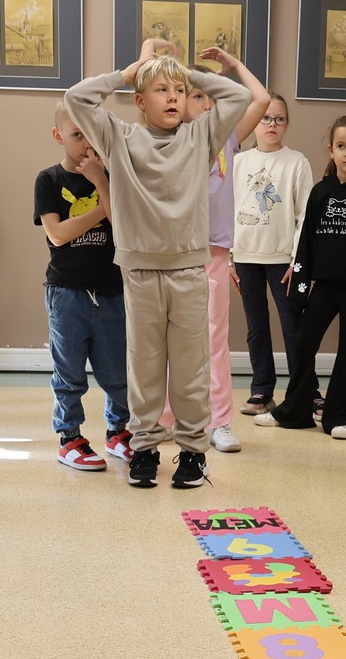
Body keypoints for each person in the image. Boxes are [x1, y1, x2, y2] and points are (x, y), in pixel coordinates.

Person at [63, 39, 250, 490]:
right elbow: (76, 98)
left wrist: (185, 72)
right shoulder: (119, 137)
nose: (172, 97)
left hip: (188, 271)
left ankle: (193, 453)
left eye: (179, 91)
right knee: (144, 367)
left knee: (190, 368)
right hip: (140, 272)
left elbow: (239, 96)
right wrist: (129, 73)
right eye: (161, 90)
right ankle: (145, 448)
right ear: (139, 101)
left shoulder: (201, 136)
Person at [255, 114, 346, 439]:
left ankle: (341, 416)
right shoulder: (320, 192)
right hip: (324, 287)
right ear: (331, 150)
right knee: (303, 346)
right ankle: (295, 411)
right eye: (341, 146)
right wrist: (299, 291)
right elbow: (307, 243)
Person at [174, 50, 269, 454]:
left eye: (212, 96)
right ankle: (166, 418)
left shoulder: (228, 136)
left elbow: (261, 99)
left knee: (214, 338)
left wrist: (232, 67)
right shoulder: (170, 137)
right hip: (175, 253)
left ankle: (219, 421)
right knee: (170, 338)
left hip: (213, 251)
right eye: (197, 95)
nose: (208, 102)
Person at [36, 103, 132, 471]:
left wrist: (101, 182)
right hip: (67, 293)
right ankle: (69, 437)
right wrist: (102, 208)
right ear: (58, 136)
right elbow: (58, 234)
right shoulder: (49, 180)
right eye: (77, 135)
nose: (87, 144)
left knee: (118, 371)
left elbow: (123, 226)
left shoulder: (112, 176)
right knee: (69, 372)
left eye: (92, 135)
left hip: (110, 291)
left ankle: (119, 431)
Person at [231, 95, 314, 416]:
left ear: (287, 124)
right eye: (265, 118)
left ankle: (305, 390)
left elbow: (305, 216)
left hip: (283, 260)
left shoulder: (297, 162)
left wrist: (297, 260)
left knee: (294, 327)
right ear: (254, 122)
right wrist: (228, 259)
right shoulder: (238, 162)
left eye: (279, 119)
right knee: (256, 327)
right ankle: (262, 389)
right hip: (245, 257)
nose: (272, 125)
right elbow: (223, 212)